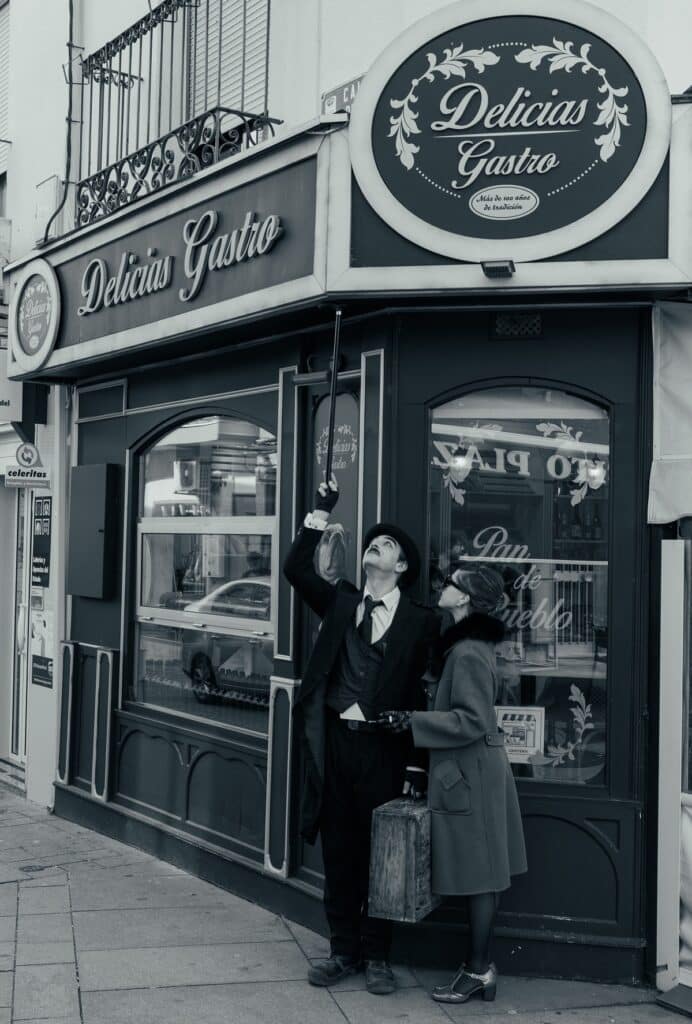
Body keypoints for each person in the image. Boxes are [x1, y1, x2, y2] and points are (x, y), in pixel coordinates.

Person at [284, 480, 436, 996]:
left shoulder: (420, 623)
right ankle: (342, 951)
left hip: (385, 750)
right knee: (340, 854)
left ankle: (378, 958)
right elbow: (295, 569)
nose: (377, 546)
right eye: (373, 542)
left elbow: (425, 695)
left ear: (401, 569)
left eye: (387, 545)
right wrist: (321, 511)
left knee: (383, 857)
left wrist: (418, 766)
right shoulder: (341, 601)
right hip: (335, 744)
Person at [379, 566, 527, 1005]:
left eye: (450, 584)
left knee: (481, 880)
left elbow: (473, 720)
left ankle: (479, 970)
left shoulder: (465, 652)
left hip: (471, 775)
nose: (441, 587)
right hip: (471, 773)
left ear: (463, 600)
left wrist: (411, 721)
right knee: (483, 878)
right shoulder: (469, 647)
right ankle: (479, 968)